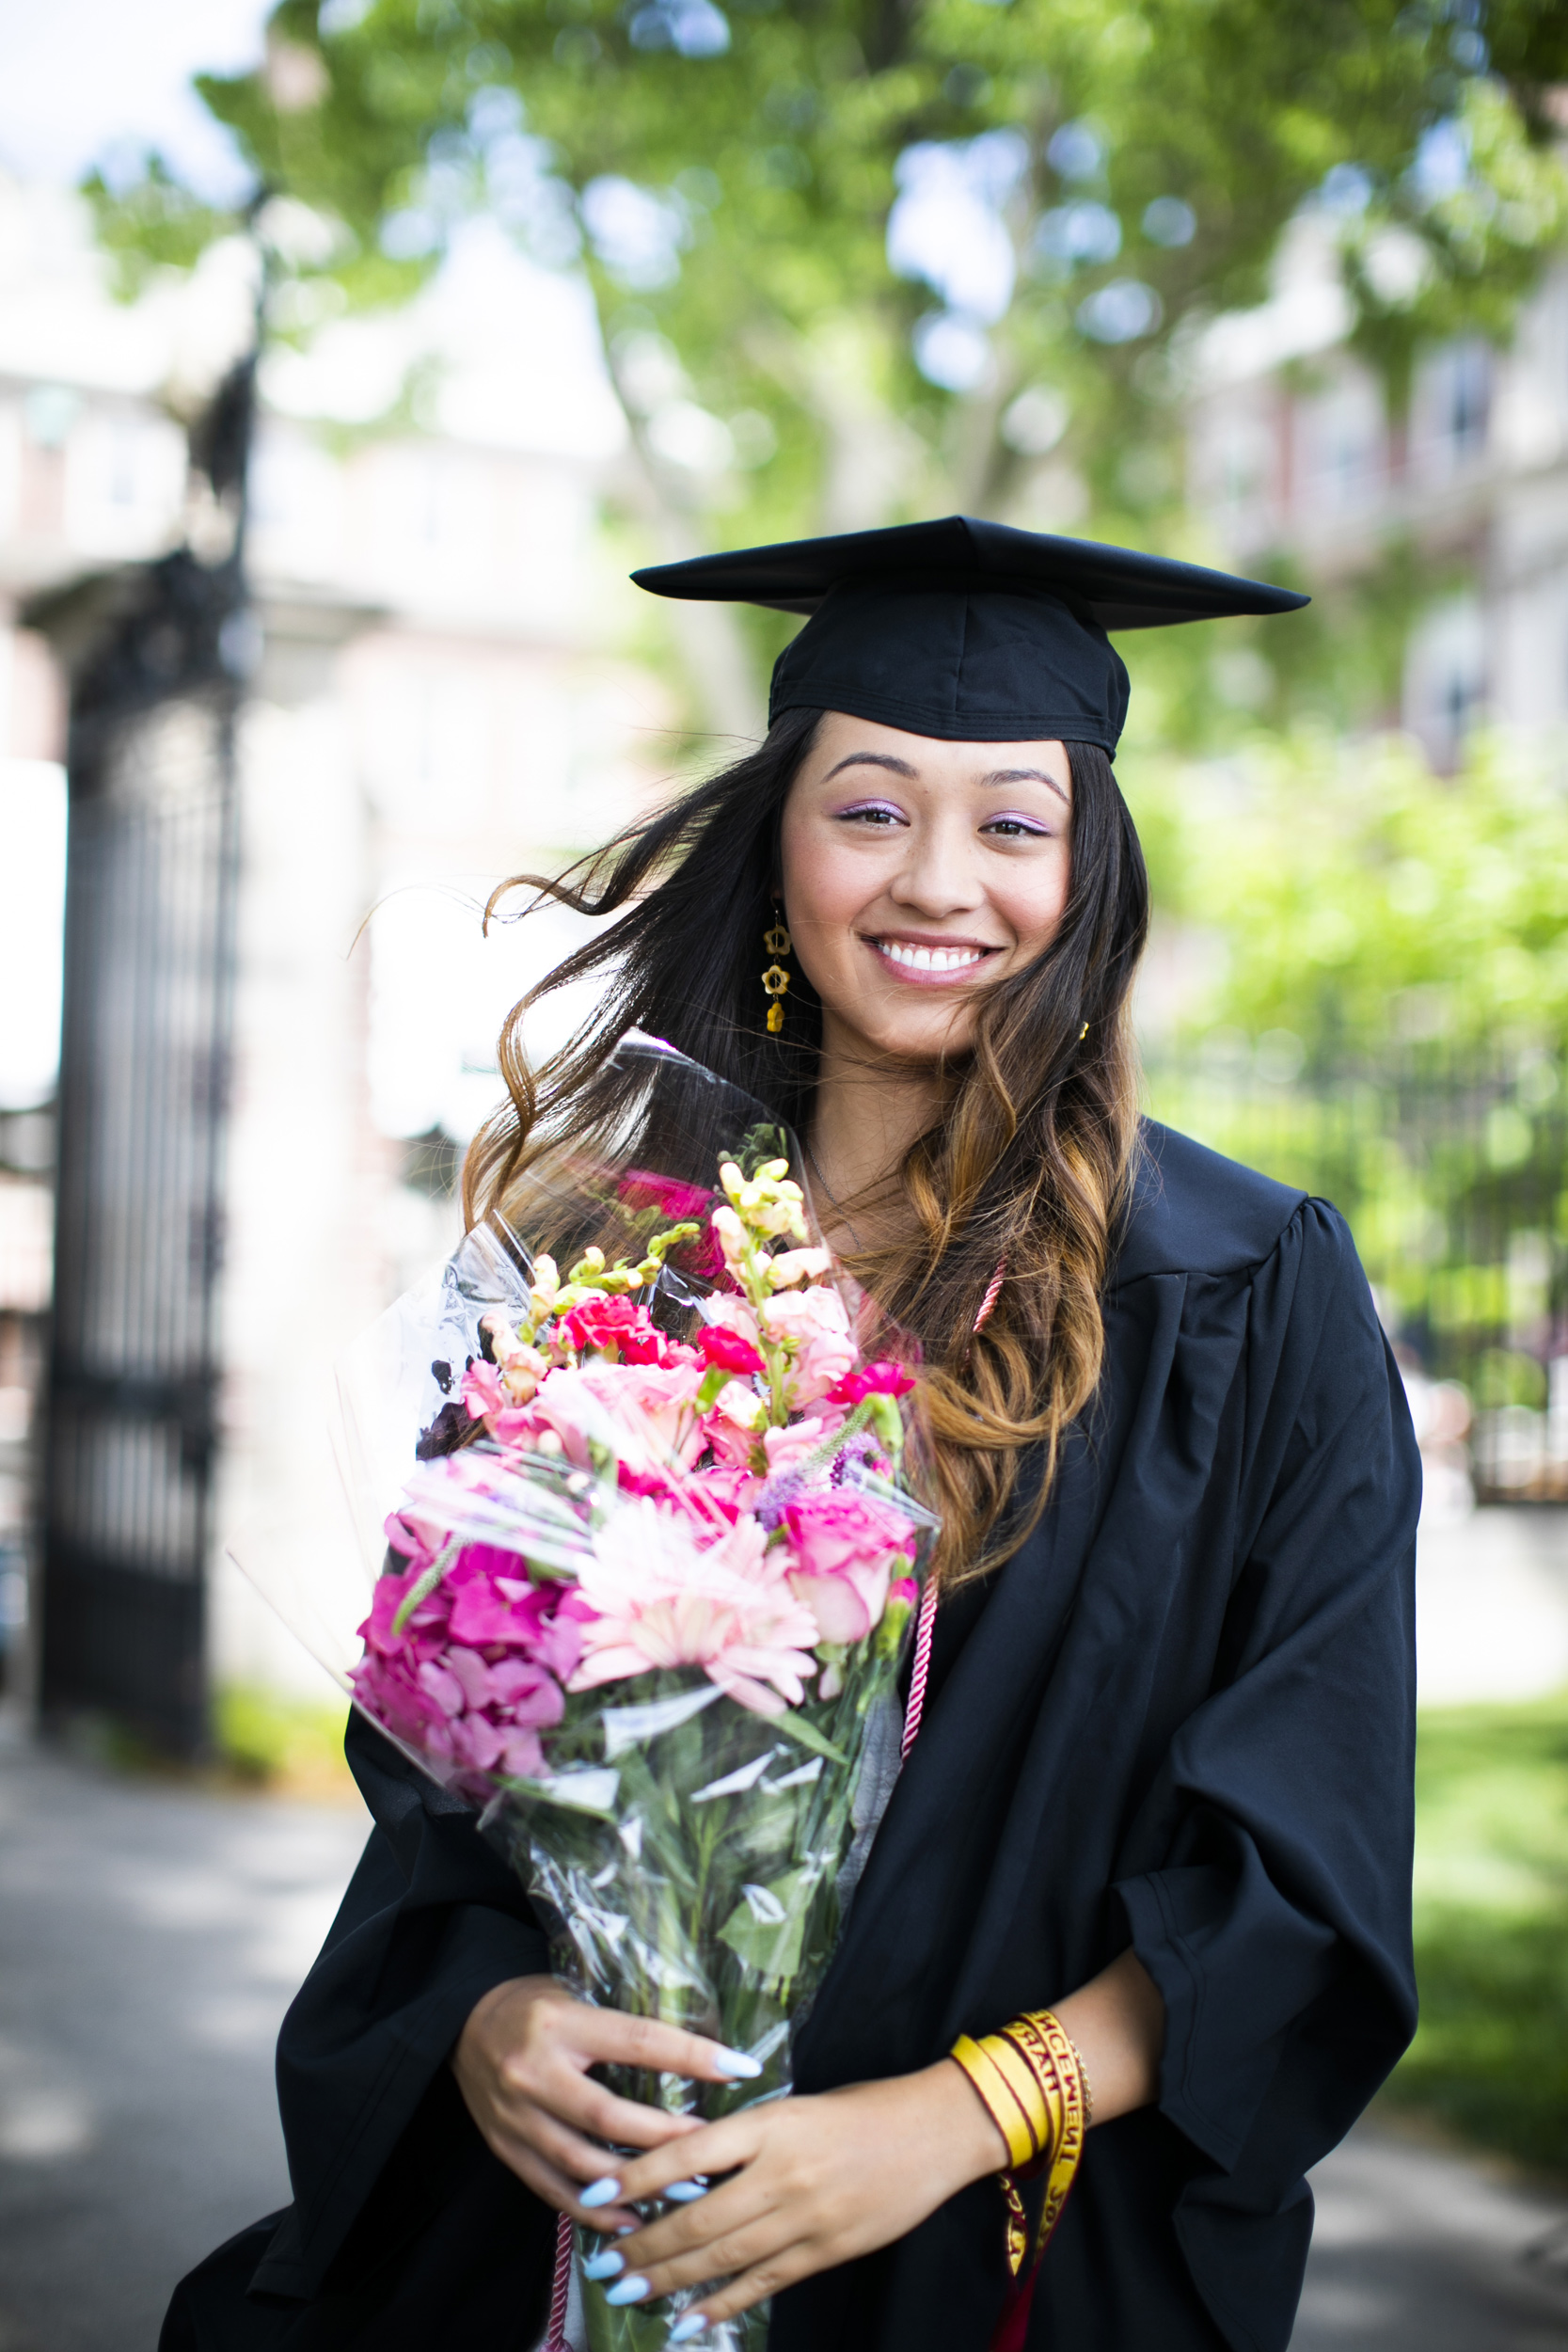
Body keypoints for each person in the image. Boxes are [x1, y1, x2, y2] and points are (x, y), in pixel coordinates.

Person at [164, 517, 1420, 2352]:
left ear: (1088, 871)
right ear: (778, 843)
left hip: (999, 2248)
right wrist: (486, 2016)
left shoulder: (1243, 1291)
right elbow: (450, 1789)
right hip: (584, 2222)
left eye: (1011, 819)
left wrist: (939, 2125)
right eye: (870, 806)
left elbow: (1303, 1879)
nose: (938, 877)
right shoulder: (609, 1263)